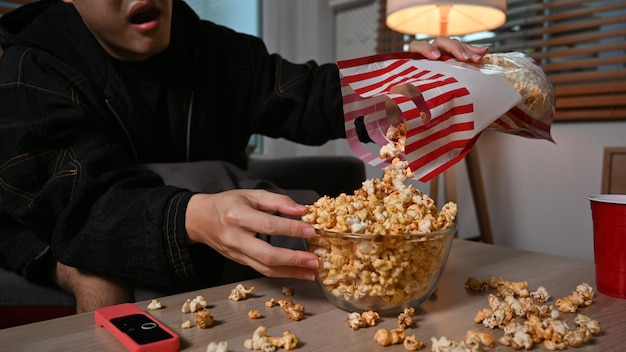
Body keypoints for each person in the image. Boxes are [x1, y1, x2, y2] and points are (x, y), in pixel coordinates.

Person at [0, 0, 488, 313]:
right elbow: (81, 202)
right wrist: (192, 214)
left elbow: (306, 95)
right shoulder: (27, 67)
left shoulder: (215, 48)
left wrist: (399, 79)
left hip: (203, 205)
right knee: (98, 272)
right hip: (58, 223)